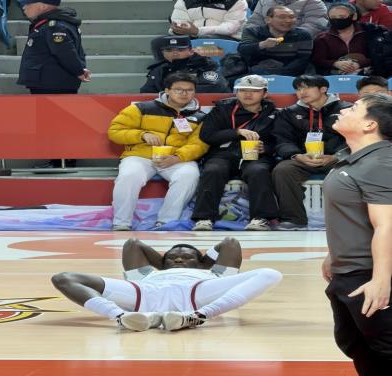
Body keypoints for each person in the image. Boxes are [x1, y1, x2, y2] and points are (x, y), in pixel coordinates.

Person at [318, 93, 392, 376]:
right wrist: (334, 254)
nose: (344, 110)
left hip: (370, 272)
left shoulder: (380, 162)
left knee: (386, 346)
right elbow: (352, 214)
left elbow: (386, 225)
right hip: (348, 269)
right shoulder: (354, 158)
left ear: (370, 124)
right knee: (357, 344)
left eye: (354, 108)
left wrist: (382, 279)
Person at [51, 237, 283, 332]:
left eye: (186, 257)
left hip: (197, 292)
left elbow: (229, 243)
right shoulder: (143, 275)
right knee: (63, 278)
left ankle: (198, 317)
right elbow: (133, 244)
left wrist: (204, 262)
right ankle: (121, 317)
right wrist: (162, 264)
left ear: (200, 262)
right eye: (172, 257)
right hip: (145, 293)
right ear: (163, 261)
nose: (179, 259)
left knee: (270, 273)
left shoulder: (215, 273)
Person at [108, 72, 209, 231]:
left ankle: (166, 222)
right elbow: (115, 131)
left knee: (189, 175)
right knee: (129, 175)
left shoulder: (200, 117)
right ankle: (121, 223)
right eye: (178, 89)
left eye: (189, 90)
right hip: (140, 156)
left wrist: (177, 157)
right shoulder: (141, 108)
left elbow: (199, 144)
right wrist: (142, 135)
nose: (184, 93)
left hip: (176, 159)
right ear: (167, 90)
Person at [192, 74, 279, 232]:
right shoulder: (222, 109)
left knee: (258, 171)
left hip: (256, 155)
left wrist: (266, 148)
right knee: (213, 170)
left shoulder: (273, 113)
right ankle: (203, 218)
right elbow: (207, 135)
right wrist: (236, 132)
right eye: (243, 90)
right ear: (236, 92)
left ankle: (261, 218)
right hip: (223, 153)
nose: (248, 94)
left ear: (265, 94)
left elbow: (280, 139)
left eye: (254, 91)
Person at [271, 75, 352, 230]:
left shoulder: (347, 109)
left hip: (338, 158)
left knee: (356, 167)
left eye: (307, 87)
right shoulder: (288, 113)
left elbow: (356, 136)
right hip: (303, 159)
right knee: (283, 170)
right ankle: (294, 220)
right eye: (298, 89)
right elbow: (282, 138)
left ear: (323, 89)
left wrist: (337, 156)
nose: (302, 92)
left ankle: (350, 220)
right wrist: (296, 155)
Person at [17, 0, 90, 94]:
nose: (24, 7)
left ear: (42, 6)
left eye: (28, 4)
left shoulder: (54, 26)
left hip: (52, 85)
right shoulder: (51, 23)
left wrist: (78, 71)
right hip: (51, 83)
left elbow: (65, 53)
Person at [312, 2, 392, 77]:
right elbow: (318, 60)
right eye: (332, 18)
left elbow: (378, 56)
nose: (337, 20)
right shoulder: (322, 38)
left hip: (370, 75)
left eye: (342, 17)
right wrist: (335, 63)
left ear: (354, 16)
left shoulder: (372, 33)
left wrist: (359, 64)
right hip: (334, 76)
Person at [150, 0, 248, 60]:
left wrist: (198, 31)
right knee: (158, 43)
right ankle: (164, 70)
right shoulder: (184, 1)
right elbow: (179, 20)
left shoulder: (237, 2)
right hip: (191, 36)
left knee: (207, 39)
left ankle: (207, 68)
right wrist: (178, 29)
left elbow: (230, 28)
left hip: (225, 38)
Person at [238, 5, 313, 76]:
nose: (288, 20)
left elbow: (302, 60)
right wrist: (262, 45)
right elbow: (243, 50)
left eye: (291, 17)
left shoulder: (303, 35)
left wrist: (278, 74)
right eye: (282, 17)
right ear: (268, 19)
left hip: (291, 75)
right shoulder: (253, 32)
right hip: (255, 73)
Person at [140, 35, 229, 94]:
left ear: (191, 51)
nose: (175, 53)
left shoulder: (204, 65)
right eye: (169, 50)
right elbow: (146, 92)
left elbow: (211, 89)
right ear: (163, 53)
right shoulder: (158, 70)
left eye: (180, 50)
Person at [245, 0, 328, 38]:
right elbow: (254, 22)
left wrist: (284, 38)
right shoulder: (264, 1)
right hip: (263, 41)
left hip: (296, 45)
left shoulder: (314, 2)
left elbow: (314, 26)